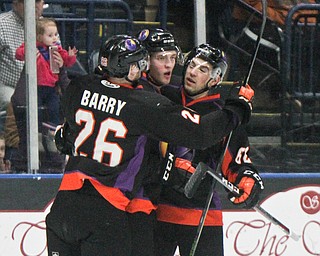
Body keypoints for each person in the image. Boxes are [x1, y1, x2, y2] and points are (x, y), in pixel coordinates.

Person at [45, 34, 255, 256]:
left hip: (64, 204)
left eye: (173, 58)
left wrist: (67, 135)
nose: (168, 65)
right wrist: (239, 108)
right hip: (112, 208)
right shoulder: (143, 102)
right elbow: (200, 132)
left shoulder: (81, 86)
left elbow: (71, 125)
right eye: (156, 58)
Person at [154, 44, 264, 256]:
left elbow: (237, 164)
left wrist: (246, 178)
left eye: (203, 70)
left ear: (215, 80)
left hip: (201, 216)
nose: (193, 72)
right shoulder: (164, 96)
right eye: (192, 65)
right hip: (157, 211)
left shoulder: (223, 115)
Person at [15, 17, 77, 127]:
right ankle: (36, 132)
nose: (54, 38)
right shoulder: (31, 46)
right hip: (35, 87)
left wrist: (71, 57)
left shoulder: (57, 49)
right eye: (50, 35)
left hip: (52, 88)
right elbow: (18, 54)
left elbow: (67, 61)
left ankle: (53, 131)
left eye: (56, 34)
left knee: (54, 108)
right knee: (35, 110)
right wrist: (28, 51)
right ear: (39, 37)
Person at [0, 0, 44, 131]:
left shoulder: (46, 25)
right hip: (9, 85)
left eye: (38, 2)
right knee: (13, 102)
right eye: (31, 2)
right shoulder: (2, 24)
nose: (35, 6)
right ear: (16, 4)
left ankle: (51, 147)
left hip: (41, 87)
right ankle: (12, 146)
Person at [137, 28, 183, 92]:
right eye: (161, 58)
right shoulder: (136, 92)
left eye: (172, 57)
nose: (169, 65)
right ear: (144, 61)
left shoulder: (179, 87)